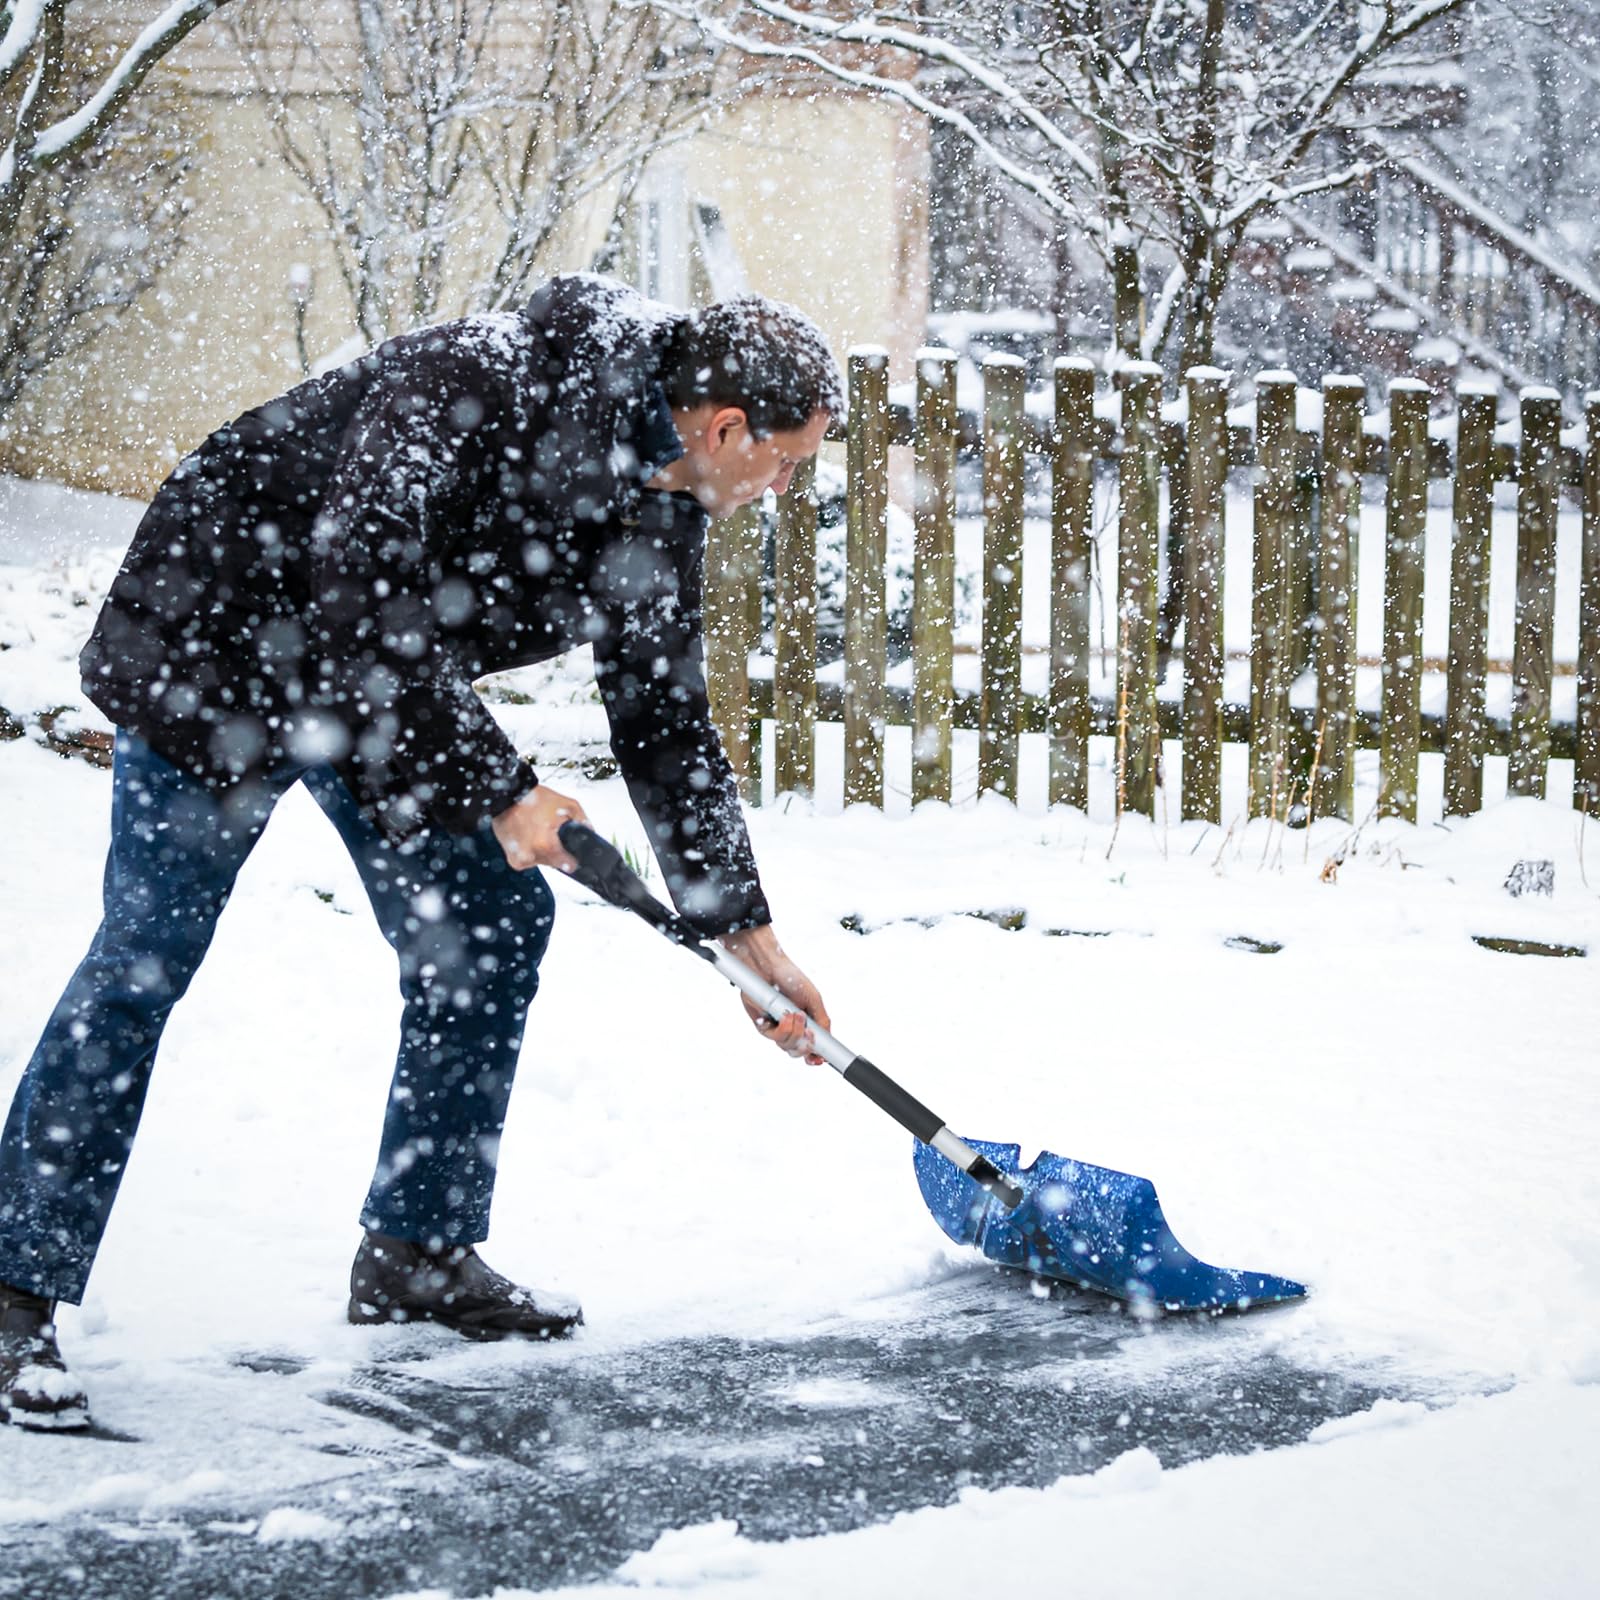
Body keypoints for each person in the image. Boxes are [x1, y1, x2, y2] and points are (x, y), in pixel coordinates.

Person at [0, 273, 841, 1431]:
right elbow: (360, 582)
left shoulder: (663, 497)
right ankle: (12, 1289)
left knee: (490, 925)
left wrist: (745, 933)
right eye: (787, 460)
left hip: (381, 689)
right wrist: (502, 789)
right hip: (220, 642)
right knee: (148, 949)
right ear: (726, 428)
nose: (786, 485)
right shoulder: (479, 379)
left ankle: (417, 1251)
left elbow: (662, 720)